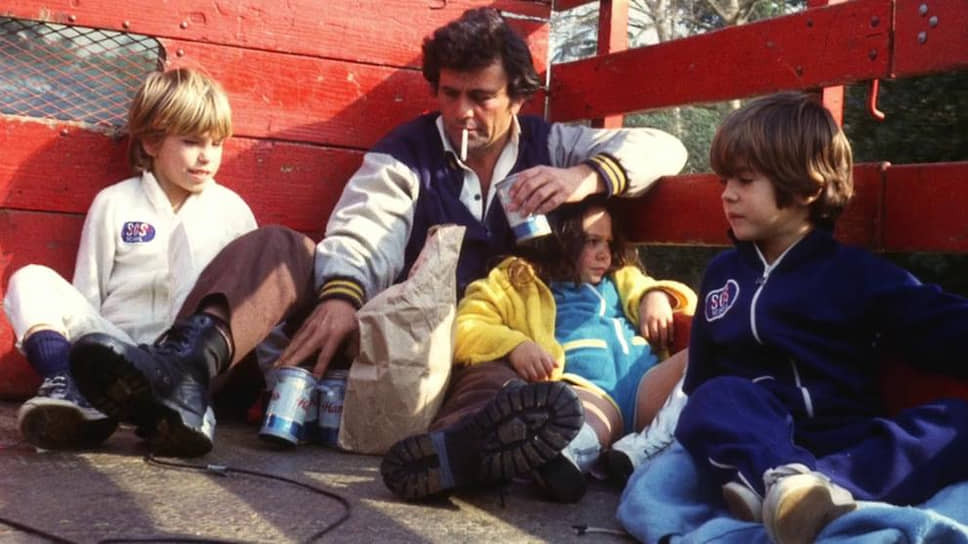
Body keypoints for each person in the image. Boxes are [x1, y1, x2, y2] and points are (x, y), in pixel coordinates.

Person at [67, 5, 688, 471]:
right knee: (280, 246)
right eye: (449, 94)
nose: (462, 112)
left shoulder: (555, 145)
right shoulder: (408, 150)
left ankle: (455, 458)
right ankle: (186, 369)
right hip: (394, 335)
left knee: (503, 384)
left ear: (518, 98)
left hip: (485, 346)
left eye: (481, 98)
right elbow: (367, 226)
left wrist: (586, 176)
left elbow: (665, 147)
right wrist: (342, 294)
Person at [673, 91, 968, 544]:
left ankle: (813, 495)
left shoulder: (855, 274)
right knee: (716, 397)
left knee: (957, 421)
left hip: (848, 441)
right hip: (756, 440)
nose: (728, 194)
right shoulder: (721, 276)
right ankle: (786, 488)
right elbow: (700, 384)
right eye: (724, 181)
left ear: (806, 189)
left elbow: (938, 321)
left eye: (745, 180)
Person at [3, 68, 257, 451]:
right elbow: (87, 295)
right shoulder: (114, 203)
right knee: (29, 279)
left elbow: (254, 306)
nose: (207, 156)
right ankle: (72, 388)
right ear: (152, 142)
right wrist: (88, 359)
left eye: (217, 143)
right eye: (192, 142)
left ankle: (180, 414)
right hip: (116, 358)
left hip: (184, 369)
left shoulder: (232, 211)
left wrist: (271, 383)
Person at [403, 195, 695, 502]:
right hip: (590, 389)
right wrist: (515, 345)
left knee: (704, 355)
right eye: (592, 242)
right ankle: (562, 460)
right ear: (559, 238)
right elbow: (466, 324)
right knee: (574, 423)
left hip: (647, 383)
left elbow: (682, 300)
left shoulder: (622, 278)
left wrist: (656, 295)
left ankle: (645, 446)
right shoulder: (518, 279)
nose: (604, 254)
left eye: (608, 243)